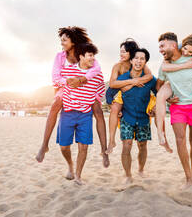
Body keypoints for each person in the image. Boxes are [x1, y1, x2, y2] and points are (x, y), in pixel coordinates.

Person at [36, 27, 109, 168]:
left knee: (98, 111)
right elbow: (56, 77)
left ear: (73, 41)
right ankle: (44, 145)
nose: (61, 43)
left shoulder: (85, 53)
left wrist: (82, 79)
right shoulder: (60, 57)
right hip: (66, 87)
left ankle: (103, 151)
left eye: (64, 40)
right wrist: (69, 83)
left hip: (86, 86)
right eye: (61, 40)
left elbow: (96, 69)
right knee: (55, 104)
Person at [156, 32, 192, 188]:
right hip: (178, 107)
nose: (160, 50)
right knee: (180, 140)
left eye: (162, 46)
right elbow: (158, 86)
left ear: (173, 45)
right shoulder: (164, 66)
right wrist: (167, 98)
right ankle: (188, 178)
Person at [57, 42, 105, 185]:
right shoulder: (68, 70)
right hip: (68, 112)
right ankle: (70, 165)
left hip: (85, 114)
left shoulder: (97, 75)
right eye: (90, 55)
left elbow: (100, 91)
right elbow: (57, 80)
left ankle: (78, 176)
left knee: (83, 146)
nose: (93, 59)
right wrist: (66, 82)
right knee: (64, 146)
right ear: (81, 56)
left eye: (93, 56)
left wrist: (91, 98)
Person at [105, 39, 159, 154]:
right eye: (120, 51)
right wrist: (133, 82)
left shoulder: (138, 64)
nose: (121, 54)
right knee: (115, 108)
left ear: (131, 53)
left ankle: (160, 135)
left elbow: (149, 76)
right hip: (117, 92)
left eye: (124, 51)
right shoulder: (117, 66)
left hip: (136, 95)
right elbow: (112, 84)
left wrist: (135, 81)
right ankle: (111, 140)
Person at [116, 48, 157, 184]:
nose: (139, 61)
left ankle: (140, 170)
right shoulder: (122, 78)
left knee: (142, 145)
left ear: (145, 62)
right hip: (127, 117)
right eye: (136, 58)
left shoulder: (150, 80)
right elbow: (110, 94)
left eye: (142, 59)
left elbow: (160, 93)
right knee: (126, 145)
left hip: (143, 118)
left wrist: (155, 108)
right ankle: (128, 175)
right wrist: (115, 108)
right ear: (131, 60)